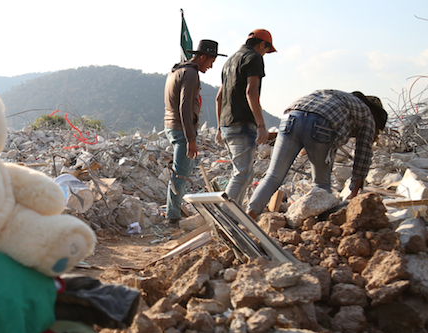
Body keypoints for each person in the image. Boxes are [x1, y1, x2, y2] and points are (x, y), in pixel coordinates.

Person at [246, 90, 388, 218]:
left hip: (291, 117)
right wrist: (353, 194)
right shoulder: (367, 115)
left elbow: (308, 120)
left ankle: (249, 216)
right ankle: (320, 226)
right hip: (321, 124)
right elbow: (362, 156)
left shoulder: (339, 97)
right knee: (321, 186)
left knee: (272, 176)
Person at [164, 40, 226, 227]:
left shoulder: (177, 70)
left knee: (180, 170)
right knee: (181, 173)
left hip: (172, 126)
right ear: (202, 57)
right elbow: (184, 106)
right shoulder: (191, 74)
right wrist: (191, 138)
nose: (211, 65)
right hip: (182, 129)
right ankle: (173, 216)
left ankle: (173, 211)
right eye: (211, 61)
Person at [215, 29, 276, 206]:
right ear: (262, 44)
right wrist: (261, 125)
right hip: (242, 124)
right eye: (267, 49)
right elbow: (251, 92)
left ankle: (234, 216)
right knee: (242, 174)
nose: (265, 54)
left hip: (227, 125)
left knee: (244, 174)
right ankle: (225, 218)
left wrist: (220, 127)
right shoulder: (254, 58)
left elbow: (219, 97)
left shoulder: (229, 61)